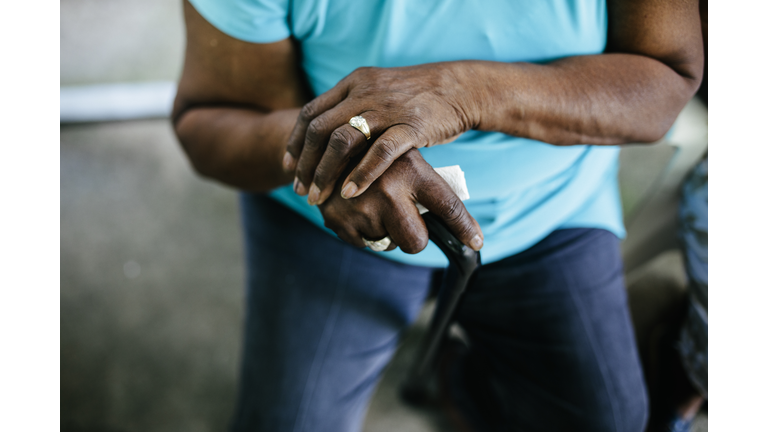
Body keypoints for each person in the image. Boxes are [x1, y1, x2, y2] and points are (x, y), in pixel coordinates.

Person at [171, 1, 704, 431]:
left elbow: (665, 81)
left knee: (608, 421)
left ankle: (470, 386)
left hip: (549, 210)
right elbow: (211, 121)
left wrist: (464, 92)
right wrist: (330, 158)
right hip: (325, 219)